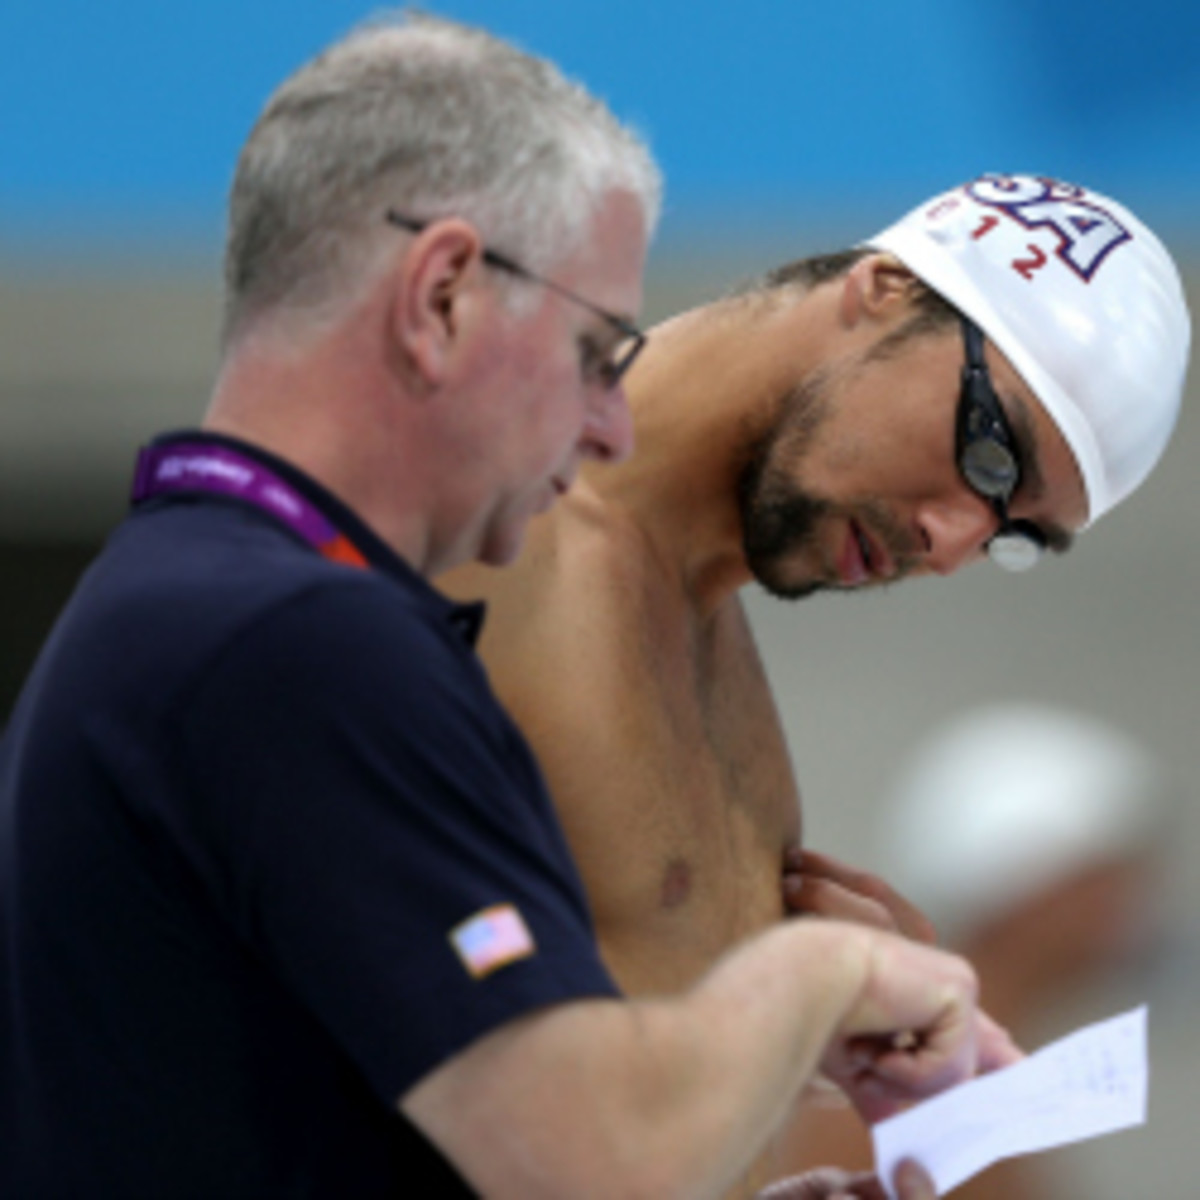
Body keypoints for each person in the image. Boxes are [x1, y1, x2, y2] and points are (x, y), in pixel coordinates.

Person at [0, 13, 996, 1199]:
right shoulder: (294, 643)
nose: (611, 422)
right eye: (592, 350)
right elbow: (578, 1156)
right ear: (445, 298)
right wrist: (818, 977)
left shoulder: (190, 597)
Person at [441, 173, 1192, 1176]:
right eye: (993, 454)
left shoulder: (727, 691)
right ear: (884, 287)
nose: (958, 541)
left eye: (1018, 534)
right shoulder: (482, 528)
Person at [785, 702, 1176, 1196]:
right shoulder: (929, 1088)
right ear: (1029, 887)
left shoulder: (956, 1076)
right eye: (1112, 876)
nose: (1140, 902)